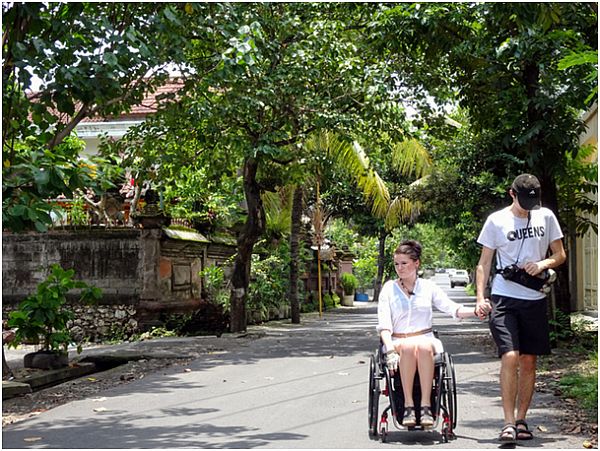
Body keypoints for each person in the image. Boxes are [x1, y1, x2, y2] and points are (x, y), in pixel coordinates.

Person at [475, 173, 566, 444]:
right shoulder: (496, 221)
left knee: (528, 360)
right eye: (523, 201)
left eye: (533, 202)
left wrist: (542, 265)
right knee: (510, 356)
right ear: (511, 194)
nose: (528, 208)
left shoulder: (546, 216)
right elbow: (484, 263)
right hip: (504, 297)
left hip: (535, 298)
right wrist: (481, 297)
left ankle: (522, 419)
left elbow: (559, 254)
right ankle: (508, 423)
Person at [377, 239, 489, 428]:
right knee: (408, 345)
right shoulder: (389, 289)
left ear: (416, 263)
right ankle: (408, 406)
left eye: (404, 263)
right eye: (397, 264)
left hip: (425, 338)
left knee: (422, 345)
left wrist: (476, 310)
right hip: (397, 341)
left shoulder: (428, 287)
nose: (400, 268)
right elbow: (384, 325)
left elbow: (452, 308)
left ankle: (427, 406)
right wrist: (388, 349)